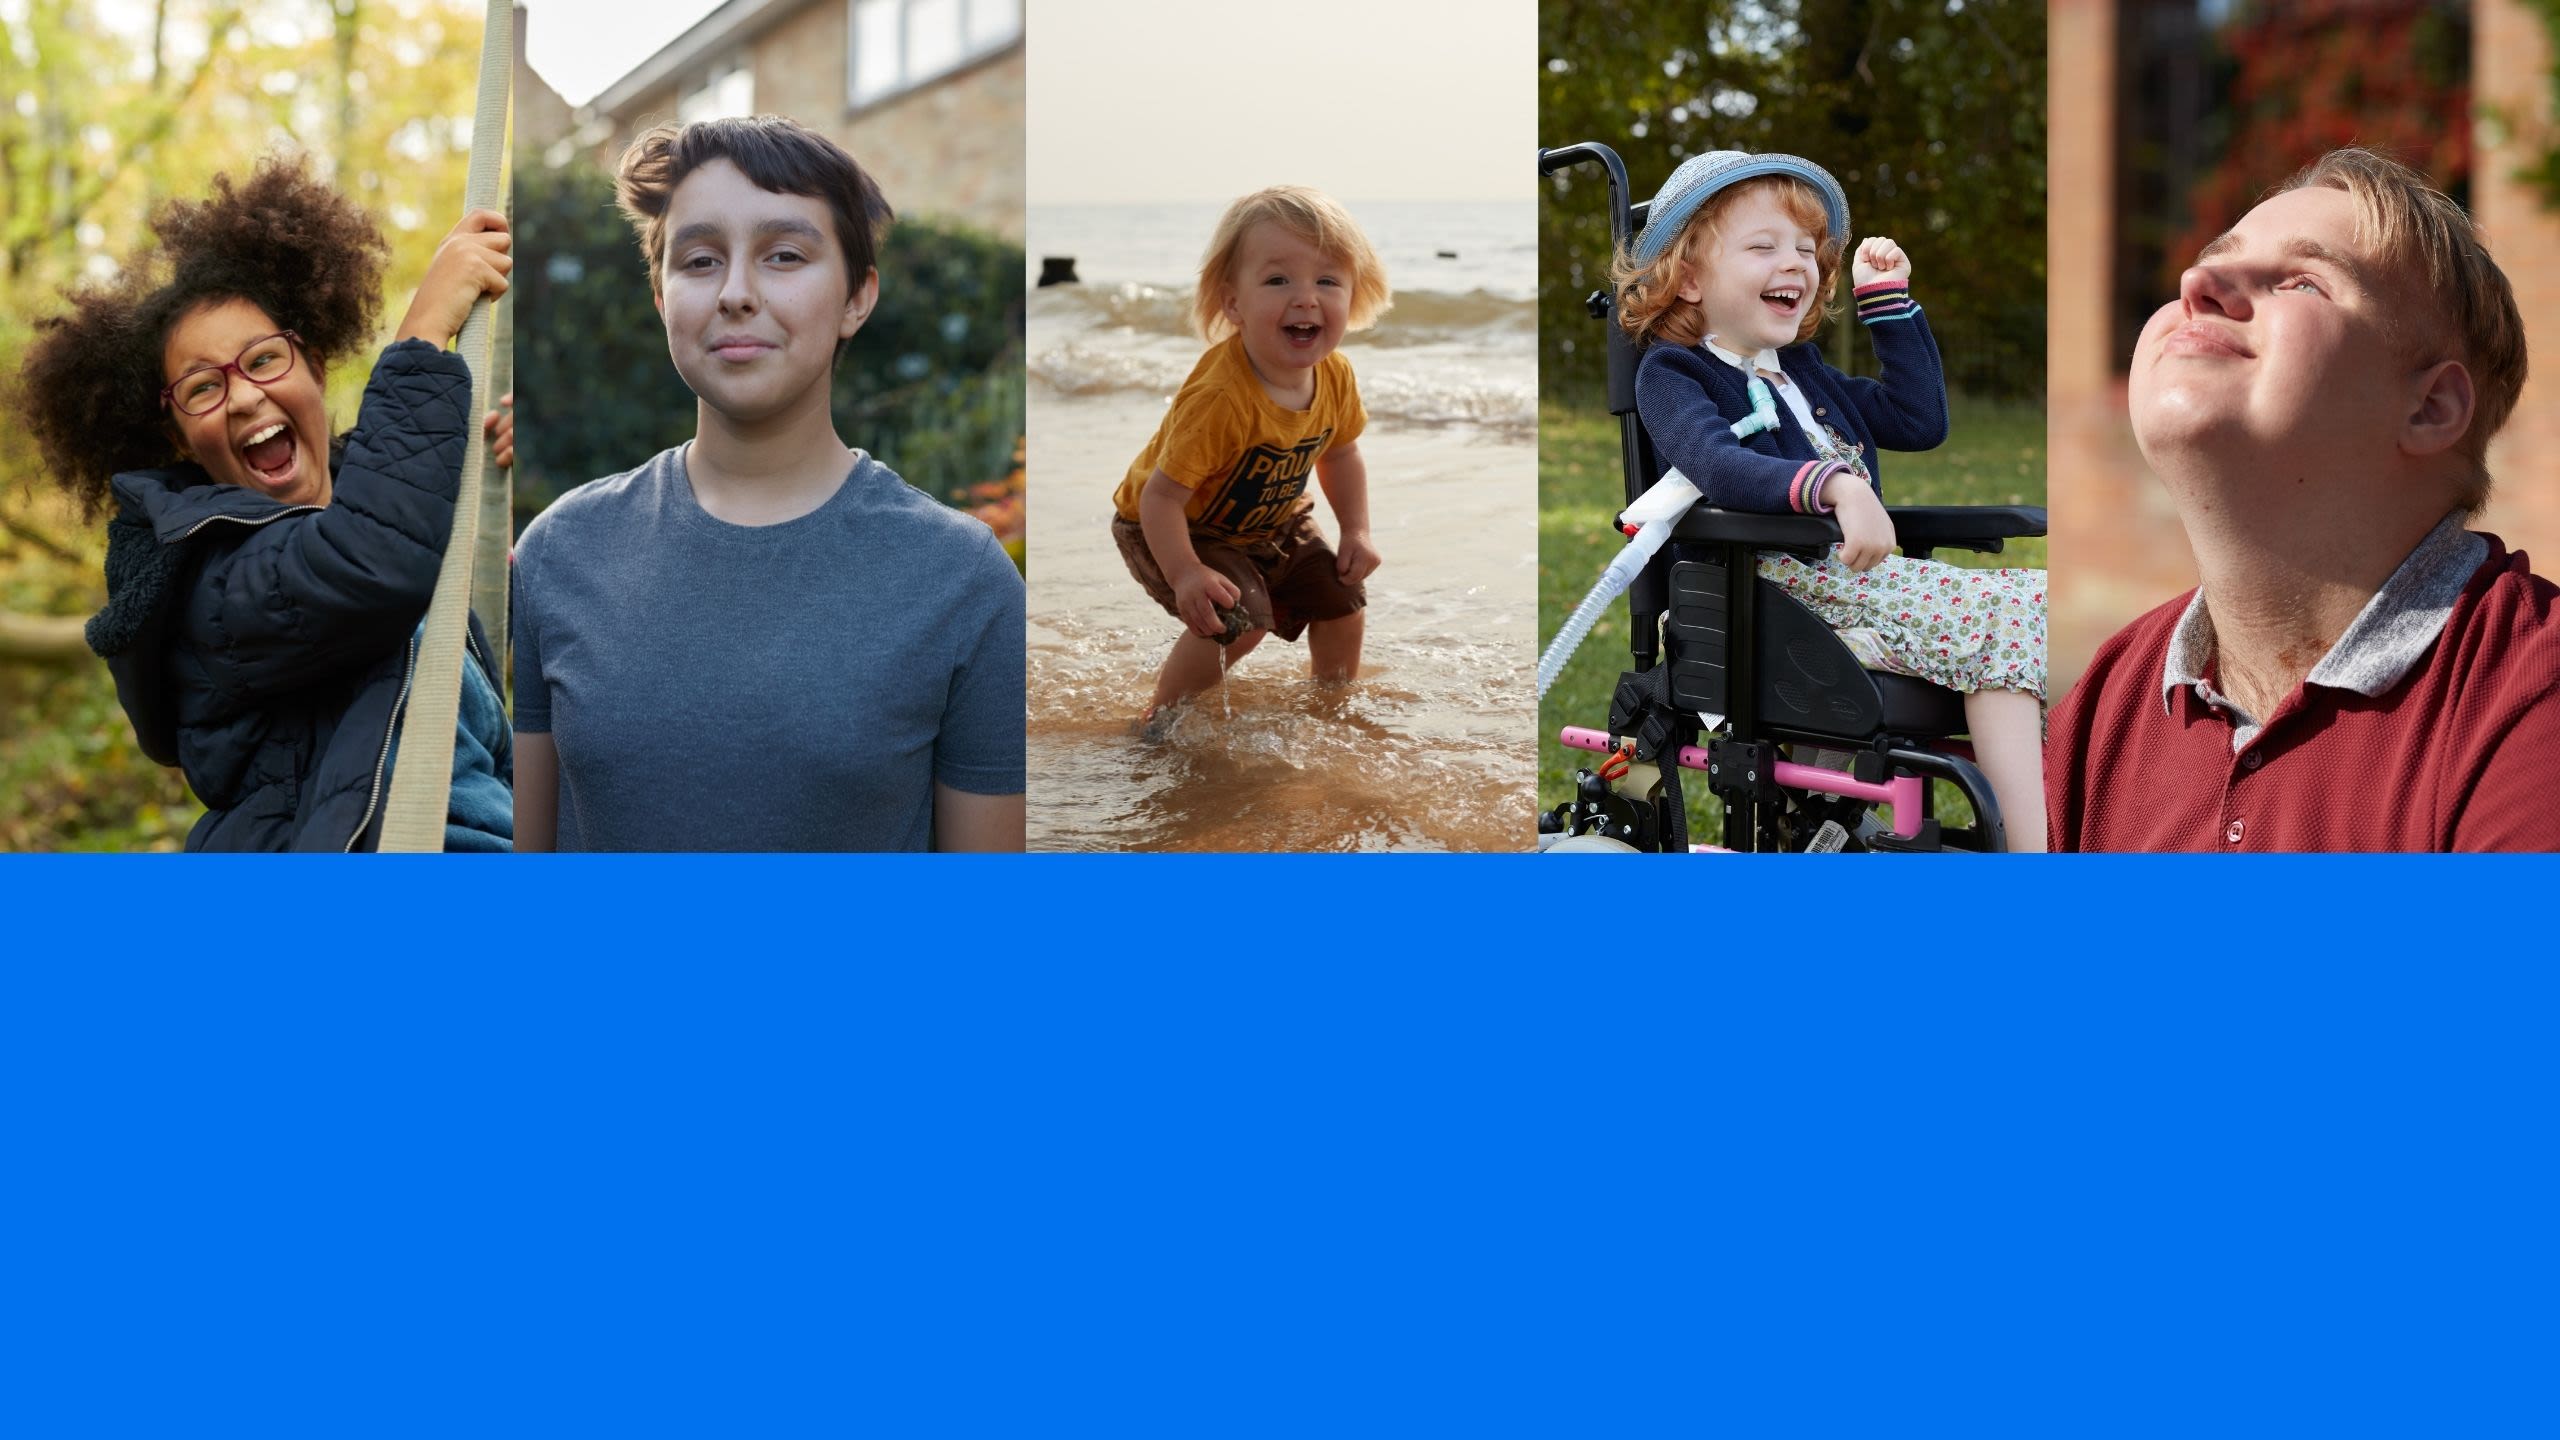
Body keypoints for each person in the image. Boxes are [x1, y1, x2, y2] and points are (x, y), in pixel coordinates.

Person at [509, 115, 1026, 851]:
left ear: (857, 298)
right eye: (698, 261)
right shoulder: (560, 549)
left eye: (784, 255)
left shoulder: (964, 580)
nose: (736, 293)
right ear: (660, 299)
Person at [2049, 148, 2559, 851]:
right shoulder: (2103, 703)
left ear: (2431, 407)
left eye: (2303, 283)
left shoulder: (2530, 691)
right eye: (2209, 261)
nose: (2200, 281)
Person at [13, 155, 514, 851]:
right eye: (202, 389)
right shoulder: (208, 580)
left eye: (262, 360)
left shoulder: (389, 504)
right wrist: (421, 337)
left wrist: (482, 504)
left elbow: (482, 706)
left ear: (312, 363)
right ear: (179, 438)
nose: (245, 396)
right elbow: (369, 562)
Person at [1617, 151, 2050, 849]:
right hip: (1768, 593)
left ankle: (2036, 825)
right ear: (1689, 278)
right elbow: (1719, 466)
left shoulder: (1801, 373)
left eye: (1804, 248)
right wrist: (1835, 485)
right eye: (1763, 246)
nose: (1795, 262)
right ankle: (2033, 856)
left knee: (2045, 606)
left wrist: (1888, 304)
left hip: (1852, 585)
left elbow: (1919, 420)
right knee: (2011, 620)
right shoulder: (1675, 375)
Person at [1109, 185, 1391, 718]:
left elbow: (1340, 454)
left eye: (1327, 280)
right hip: (1180, 525)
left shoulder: (1335, 376)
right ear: (1233, 302)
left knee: (1342, 599)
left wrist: (1356, 531)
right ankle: (1161, 718)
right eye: (1278, 279)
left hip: (1271, 519)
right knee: (1235, 621)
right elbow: (1160, 498)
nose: (1306, 298)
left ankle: (1330, 706)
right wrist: (1187, 572)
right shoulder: (1221, 398)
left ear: (1352, 297)